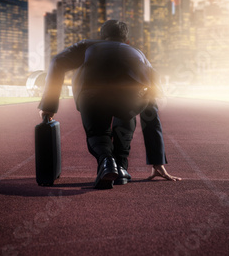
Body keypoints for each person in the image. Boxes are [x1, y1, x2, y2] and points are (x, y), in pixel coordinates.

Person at [38, 20, 180, 189]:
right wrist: (157, 161)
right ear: (126, 40)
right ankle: (120, 167)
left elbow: (57, 62)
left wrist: (49, 104)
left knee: (97, 133)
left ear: (102, 37)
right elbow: (152, 106)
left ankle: (107, 161)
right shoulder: (139, 54)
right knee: (126, 117)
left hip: (91, 95)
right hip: (130, 98)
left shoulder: (87, 46)